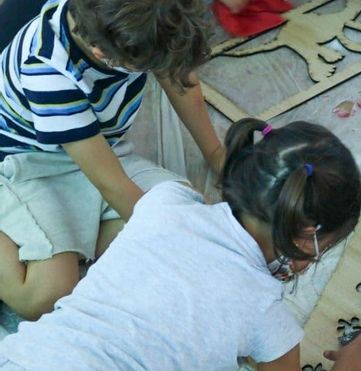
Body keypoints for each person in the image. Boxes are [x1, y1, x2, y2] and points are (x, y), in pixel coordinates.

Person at [0, 118, 361, 371]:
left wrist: (253, 355)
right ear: (309, 240)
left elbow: (176, 292)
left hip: (15, 363)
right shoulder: (267, 318)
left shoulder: (165, 199)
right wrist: (349, 364)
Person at [0, 0, 226, 319]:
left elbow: (178, 77)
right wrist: (175, 243)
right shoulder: (47, 69)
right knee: (47, 295)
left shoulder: (138, 19)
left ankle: (79, 236)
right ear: (102, 54)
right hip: (29, 164)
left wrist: (216, 154)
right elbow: (112, 183)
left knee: (196, 218)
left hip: (101, 148)